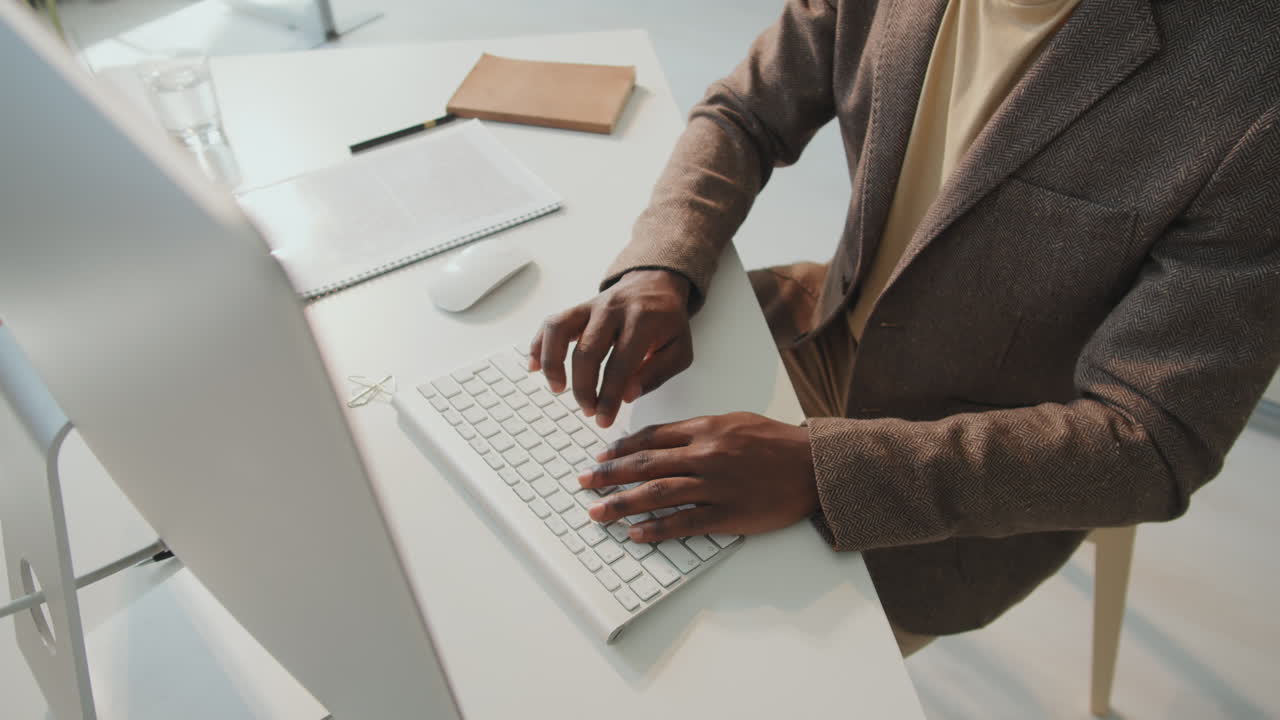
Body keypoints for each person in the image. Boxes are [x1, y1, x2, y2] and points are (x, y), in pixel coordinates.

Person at [528, 0, 1280, 655]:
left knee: (698, 660)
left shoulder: (1252, 93)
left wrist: (824, 471)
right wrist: (659, 266)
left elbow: (1155, 443)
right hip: (818, 322)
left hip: (965, 471)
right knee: (554, 543)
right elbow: (745, 111)